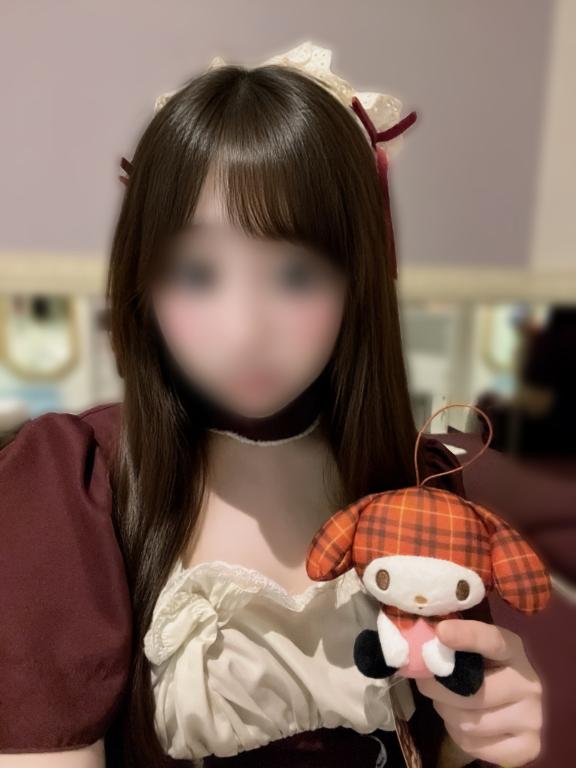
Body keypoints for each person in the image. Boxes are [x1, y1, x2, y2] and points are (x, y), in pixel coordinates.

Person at [0, 45, 543, 768]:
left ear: (358, 280)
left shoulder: (422, 484)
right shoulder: (74, 481)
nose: (244, 330)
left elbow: (448, 738)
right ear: (143, 280)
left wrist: (492, 733)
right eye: (197, 273)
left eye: (295, 274)